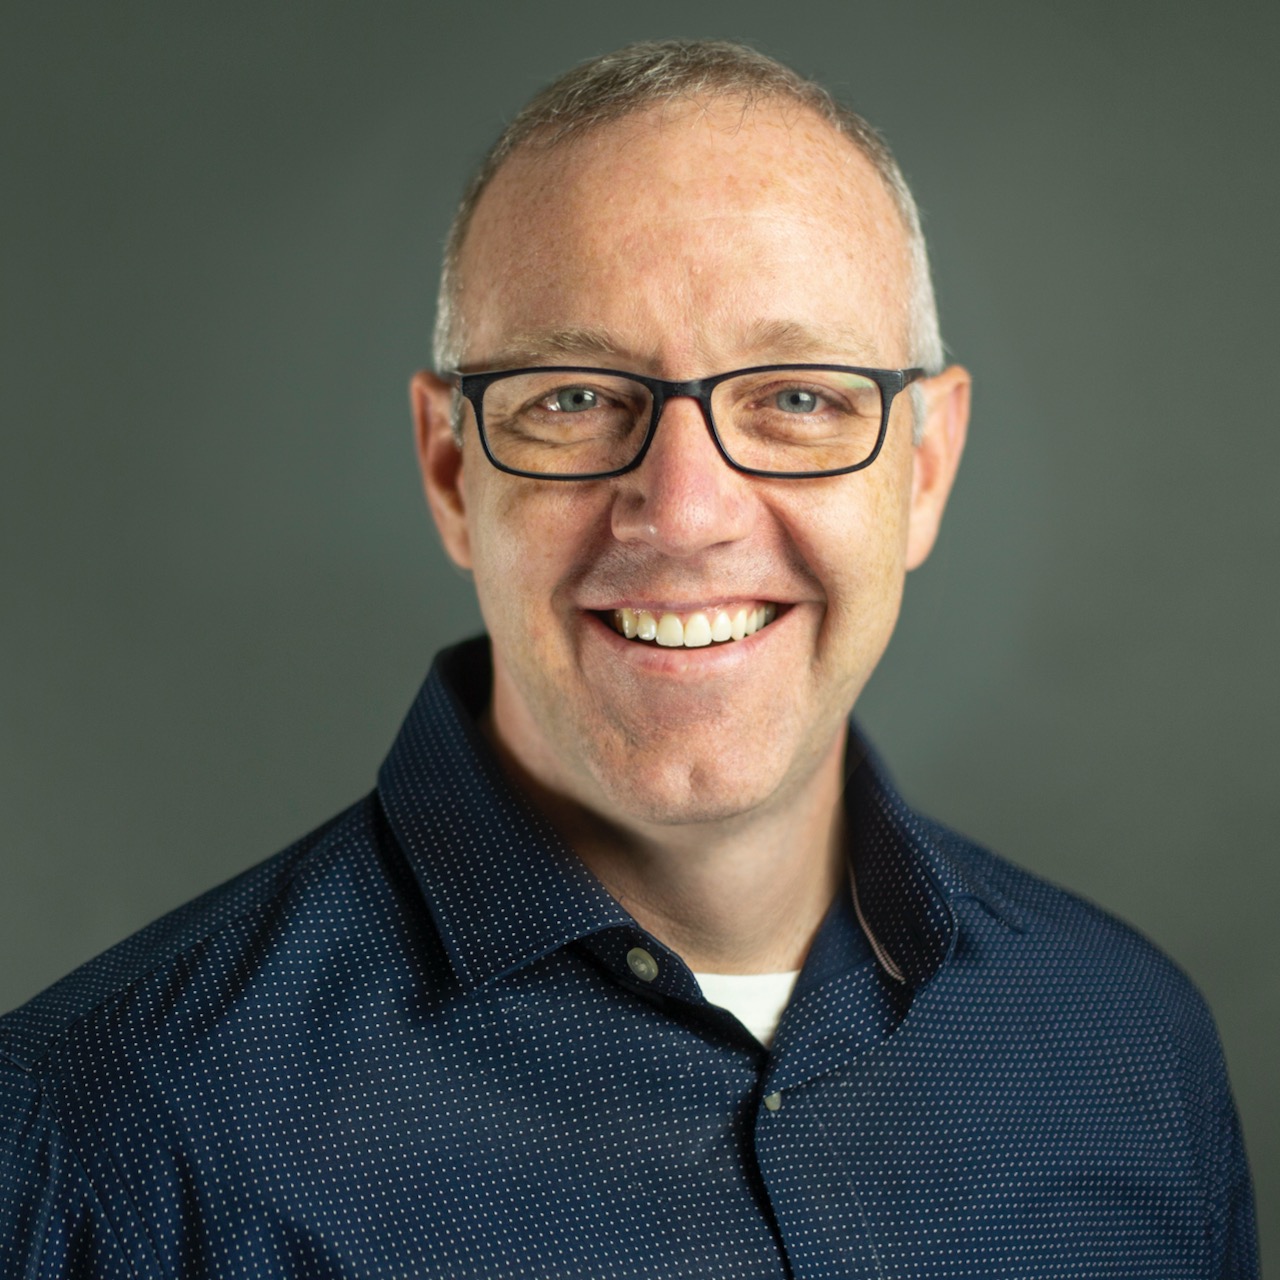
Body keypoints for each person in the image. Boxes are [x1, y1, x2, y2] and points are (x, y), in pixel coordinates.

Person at [0, 38, 1257, 1278]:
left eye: (799, 397)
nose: (686, 509)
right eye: (574, 396)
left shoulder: (1127, 1046)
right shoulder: (99, 1138)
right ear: (449, 469)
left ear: (922, 467)